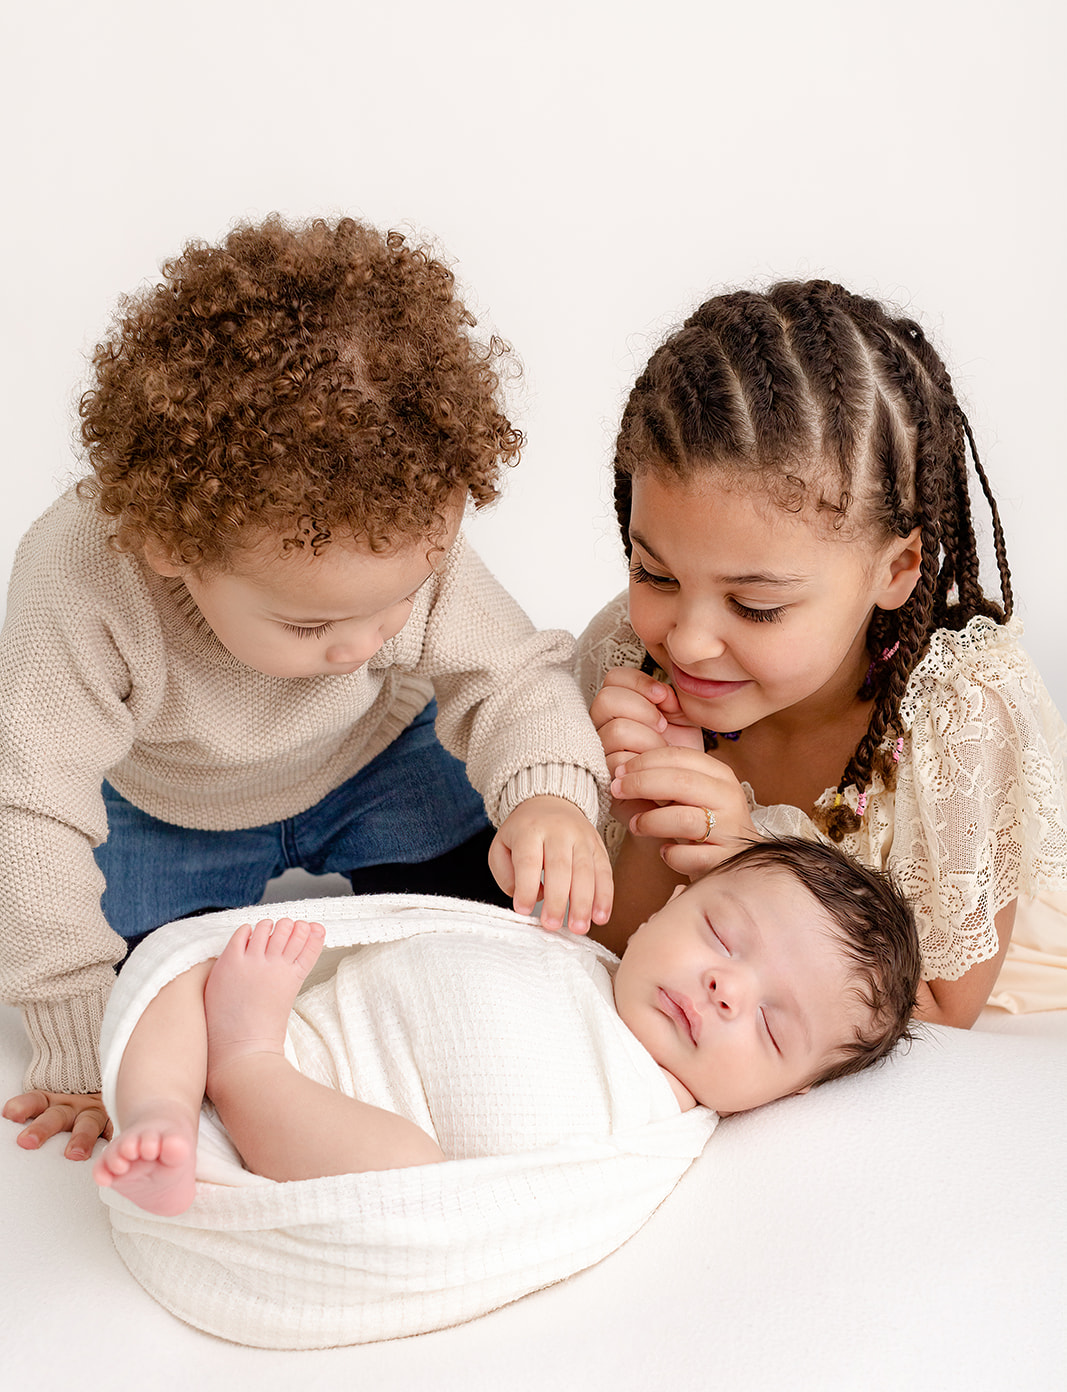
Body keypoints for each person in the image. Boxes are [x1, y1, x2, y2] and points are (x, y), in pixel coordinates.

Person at [0, 215, 611, 1161]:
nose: (366, 643)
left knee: (498, 922)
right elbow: (30, 810)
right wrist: (81, 1041)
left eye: (399, 601)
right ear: (174, 548)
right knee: (158, 1000)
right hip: (177, 805)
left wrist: (550, 801)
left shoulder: (386, 522)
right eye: (310, 625)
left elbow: (510, 676)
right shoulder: (82, 576)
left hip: (376, 759)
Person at [579, 280, 1067, 1027]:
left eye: (756, 606)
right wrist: (656, 813)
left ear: (895, 571)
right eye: (655, 574)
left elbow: (945, 1013)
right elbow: (611, 958)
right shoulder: (627, 657)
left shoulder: (959, 716)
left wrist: (754, 860)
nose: (687, 640)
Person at [92, 837, 921, 1216]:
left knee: (409, 1179)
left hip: (324, 1132)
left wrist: (251, 1047)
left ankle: (242, 1066)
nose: (724, 988)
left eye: (772, 1029)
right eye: (720, 935)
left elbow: (511, 1217)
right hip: (314, 1020)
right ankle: (161, 1113)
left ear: (787, 1093)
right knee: (186, 961)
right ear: (669, 904)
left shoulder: (651, 1135)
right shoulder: (563, 952)